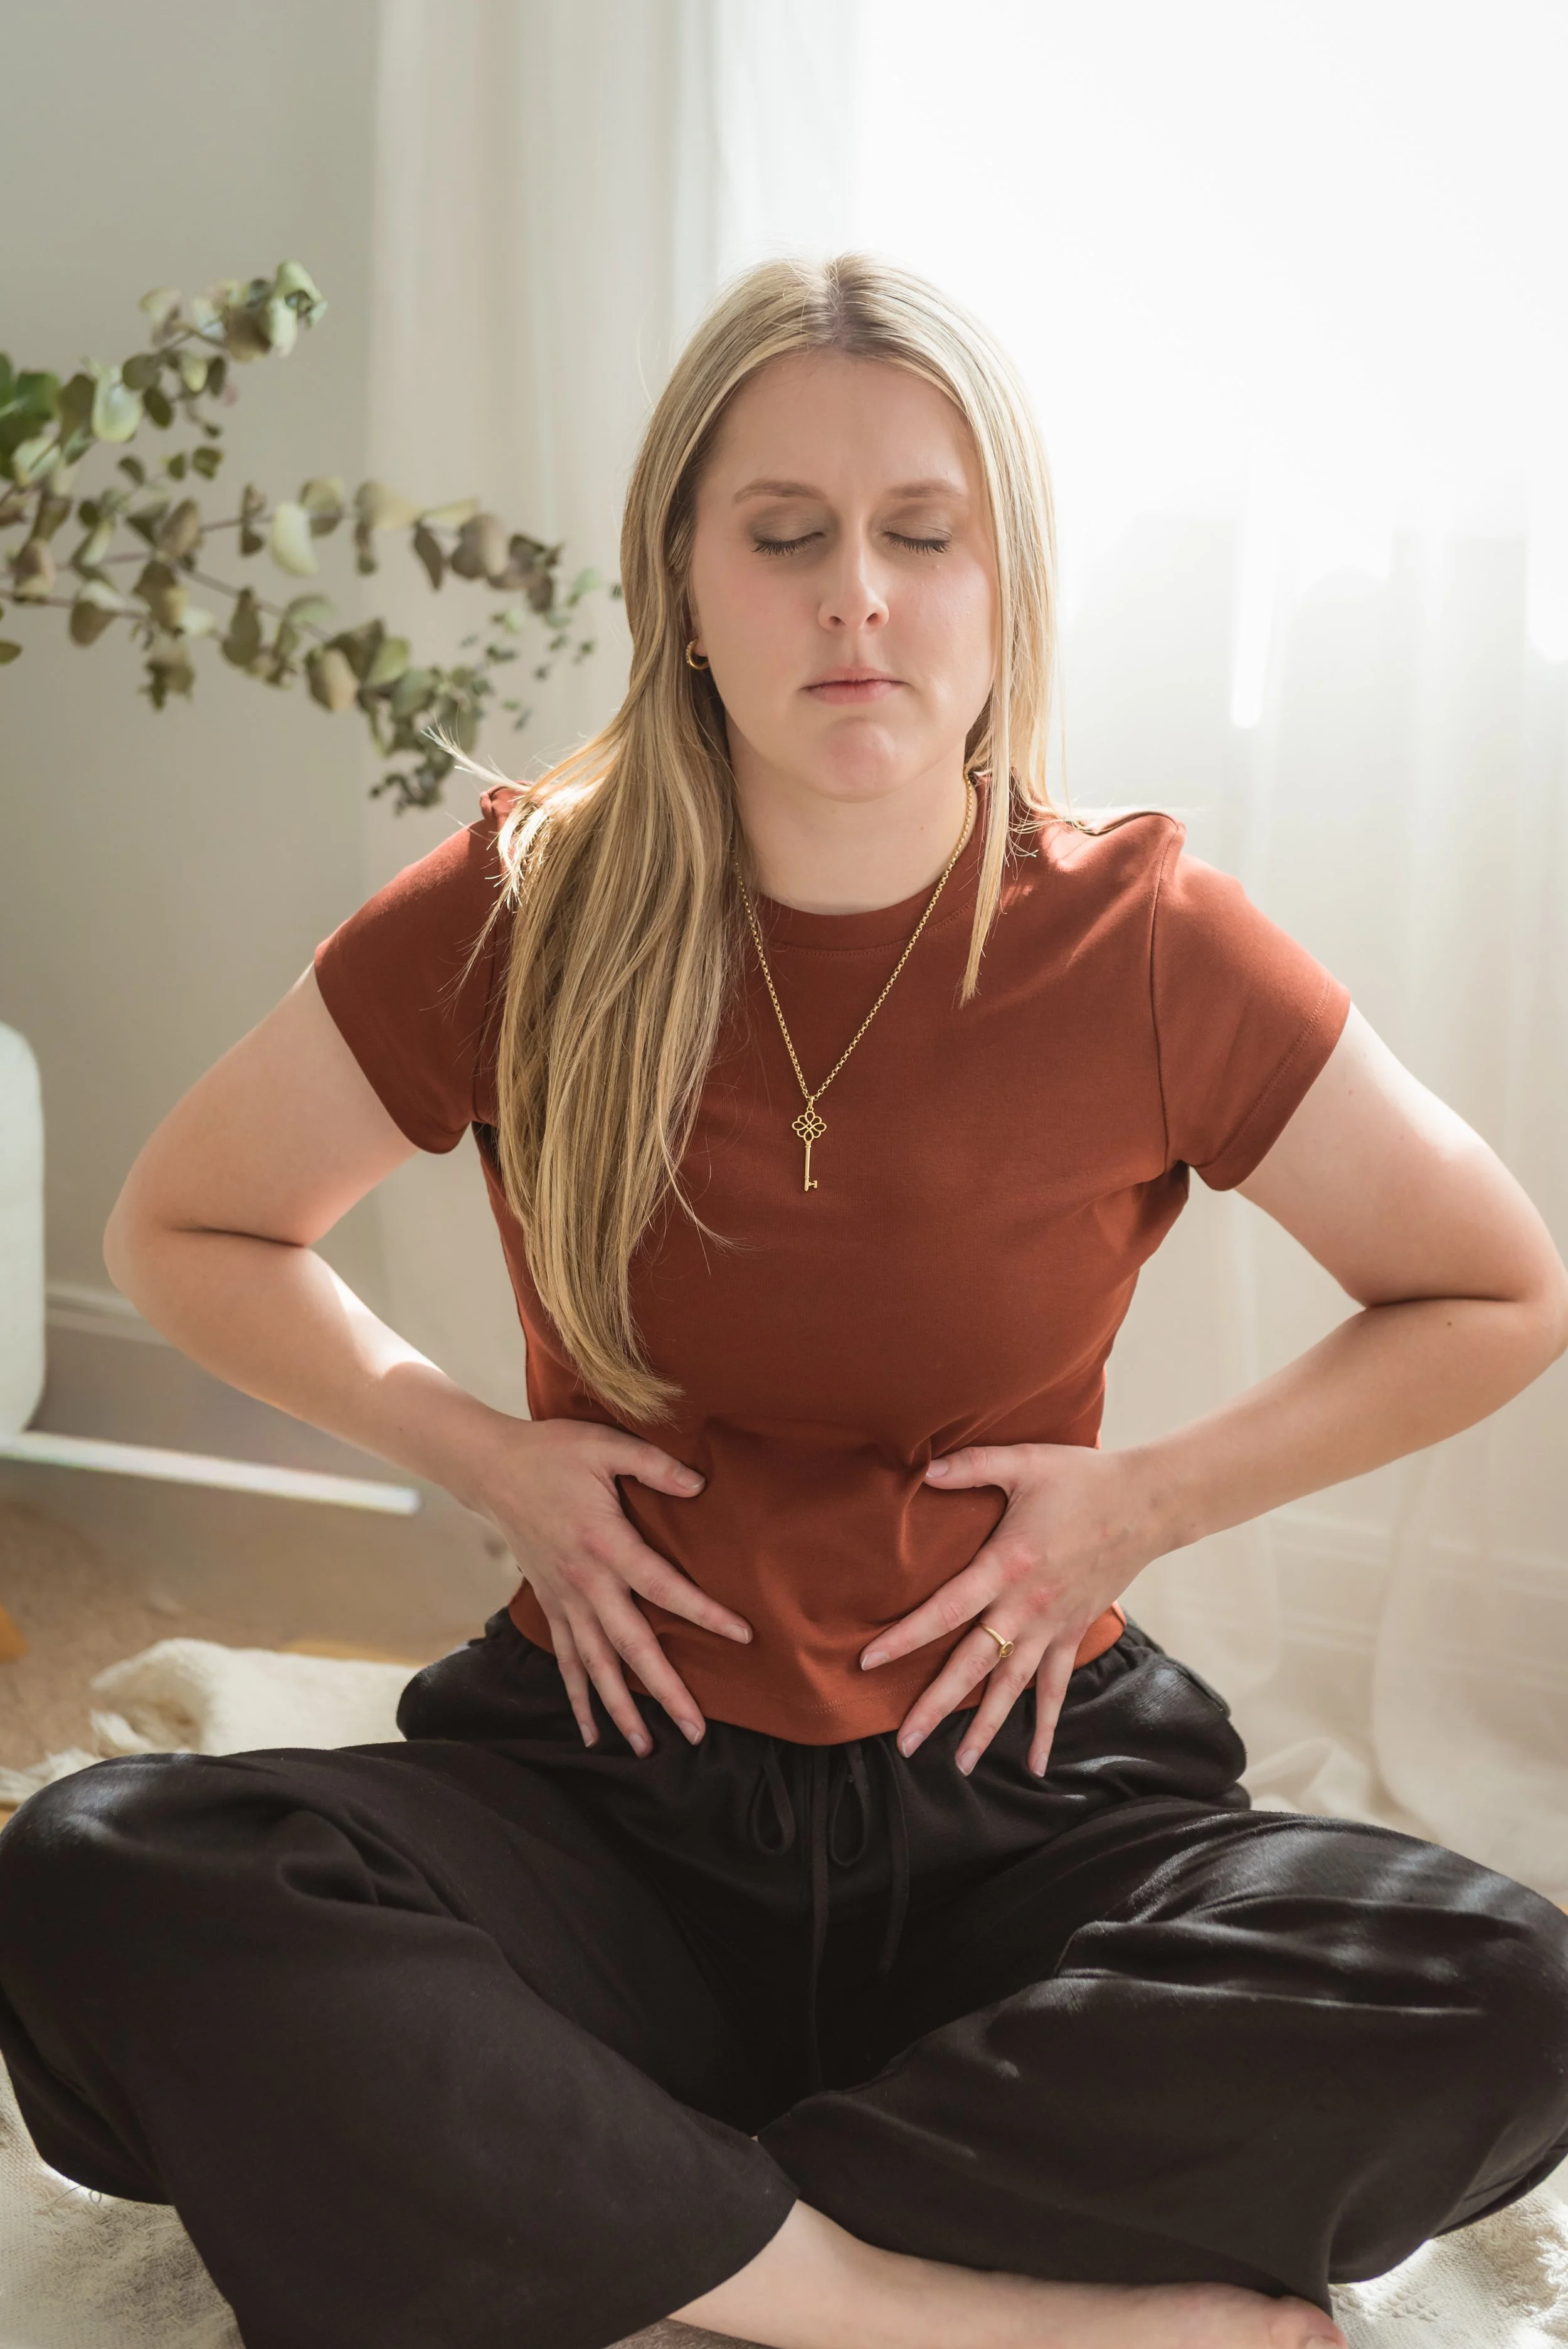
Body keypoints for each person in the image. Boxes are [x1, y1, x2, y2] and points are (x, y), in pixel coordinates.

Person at [1, 255, 1565, 2349]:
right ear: (685, 581)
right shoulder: (521, 910)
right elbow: (184, 1227)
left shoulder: (1149, 941)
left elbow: (1489, 1284)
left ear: (1002, 587)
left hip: (1020, 1794)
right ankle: (902, 2304)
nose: (857, 600)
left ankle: (598, 2206)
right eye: (785, 536)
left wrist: (1144, 1506)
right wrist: (476, 1454)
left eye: (922, 537)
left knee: (1498, 1993)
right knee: (100, 1870)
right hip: (600, 1780)